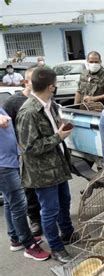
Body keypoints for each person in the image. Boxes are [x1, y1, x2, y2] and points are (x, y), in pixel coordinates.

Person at [16, 67, 76, 264]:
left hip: (57, 166)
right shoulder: (29, 112)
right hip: (42, 173)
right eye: (55, 85)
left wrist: (61, 128)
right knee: (49, 210)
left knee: (65, 202)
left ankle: (68, 233)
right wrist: (57, 137)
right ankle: (57, 247)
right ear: (51, 87)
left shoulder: (50, 104)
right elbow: (30, 147)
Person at [0, 110, 50, 261]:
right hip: (3, 166)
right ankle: (29, 245)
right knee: (19, 204)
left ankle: (16, 238)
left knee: (10, 202)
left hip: (9, 160)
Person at [3, 67, 43, 236]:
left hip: (41, 152)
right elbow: (8, 127)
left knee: (43, 186)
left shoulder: (42, 98)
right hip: (21, 155)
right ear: (26, 82)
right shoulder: (13, 102)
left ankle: (45, 217)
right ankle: (33, 221)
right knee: (27, 190)